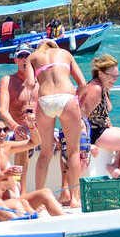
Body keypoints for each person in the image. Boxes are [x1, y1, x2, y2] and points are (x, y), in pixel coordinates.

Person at [30, 39, 87, 207]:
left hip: (45, 99)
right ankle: (74, 198)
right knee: (73, 151)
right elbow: (83, 83)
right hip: (67, 98)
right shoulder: (65, 54)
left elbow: (30, 84)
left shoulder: (33, 57)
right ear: (55, 47)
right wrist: (76, 99)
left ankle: (38, 200)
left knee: (45, 152)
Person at [0, 114, 63, 216]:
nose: (3, 133)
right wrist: (4, 175)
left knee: (45, 193)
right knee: (22, 204)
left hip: (14, 199)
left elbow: (35, 142)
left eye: (5, 129)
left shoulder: (6, 147)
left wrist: (31, 126)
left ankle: (69, 229)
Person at [79, 54, 120, 177]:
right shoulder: (95, 89)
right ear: (100, 73)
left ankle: (115, 166)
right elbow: (81, 116)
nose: (115, 80)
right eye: (112, 76)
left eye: (117, 76)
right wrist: (86, 144)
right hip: (93, 134)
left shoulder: (103, 86)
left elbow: (103, 114)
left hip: (101, 129)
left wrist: (111, 127)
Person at [0, 46, 39, 192]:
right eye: (20, 56)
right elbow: (2, 110)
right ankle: (22, 192)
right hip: (16, 129)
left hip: (37, 129)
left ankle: (67, 192)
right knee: (22, 138)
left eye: (27, 55)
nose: (24, 59)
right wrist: (16, 127)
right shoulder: (7, 80)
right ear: (15, 60)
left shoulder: (41, 81)